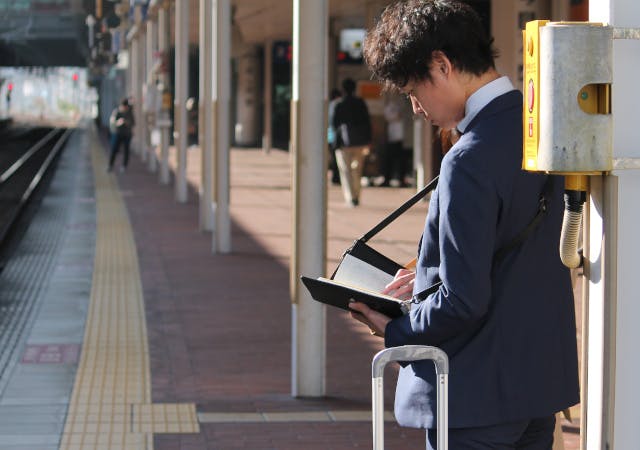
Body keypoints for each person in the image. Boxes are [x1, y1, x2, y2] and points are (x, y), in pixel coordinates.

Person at [348, 1, 579, 448]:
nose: (416, 107)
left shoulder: (468, 158)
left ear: (442, 65)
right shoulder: (542, 129)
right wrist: (429, 276)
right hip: (537, 385)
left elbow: (461, 301)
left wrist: (395, 329)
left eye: (413, 89)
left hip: (473, 394)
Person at [332, 78, 372, 206]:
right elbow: (367, 122)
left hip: (344, 144)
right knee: (357, 170)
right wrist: (368, 140)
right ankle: (356, 195)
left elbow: (334, 124)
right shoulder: (360, 103)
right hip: (360, 143)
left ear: (343, 90)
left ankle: (350, 198)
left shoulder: (339, 104)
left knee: (346, 171)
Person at [381, 93, 409, 187]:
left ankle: (401, 179)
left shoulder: (403, 104)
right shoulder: (391, 106)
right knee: (389, 159)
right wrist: (398, 115)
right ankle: (387, 179)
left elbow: (402, 115)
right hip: (392, 137)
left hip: (402, 137)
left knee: (402, 160)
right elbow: (389, 116)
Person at [108, 98, 135, 172]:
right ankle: (110, 165)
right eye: (124, 106)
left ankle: (124, 166)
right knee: (114, 149)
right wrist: (119, 122)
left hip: (127, 135)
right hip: (119, 133)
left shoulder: (129, 113)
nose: (125, 108)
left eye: (126, 107)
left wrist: (126, 122)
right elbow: (113, 123)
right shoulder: (117, 112)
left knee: (126, 150)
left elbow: (133, 123)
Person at [327, 88, 342, 185]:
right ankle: (336, 177)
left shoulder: (330, 105)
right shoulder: (337, 104)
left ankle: (334, 177)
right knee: (337, 157)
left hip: (330, 135)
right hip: (335, 135)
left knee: (333, 157)